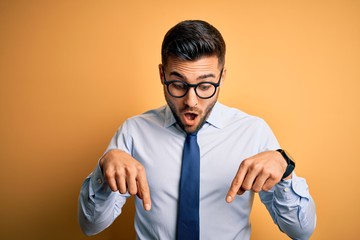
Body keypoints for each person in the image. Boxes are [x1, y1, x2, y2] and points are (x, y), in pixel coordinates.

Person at [78, 20, 316, 240]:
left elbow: (301, 231)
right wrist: (104, 167)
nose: (191, 101)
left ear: (222, 77)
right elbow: (91, 226)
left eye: (204, 85)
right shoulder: (133, 132)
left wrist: (285, 169)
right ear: (162, 75)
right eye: (178, 84)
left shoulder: (253, 131)